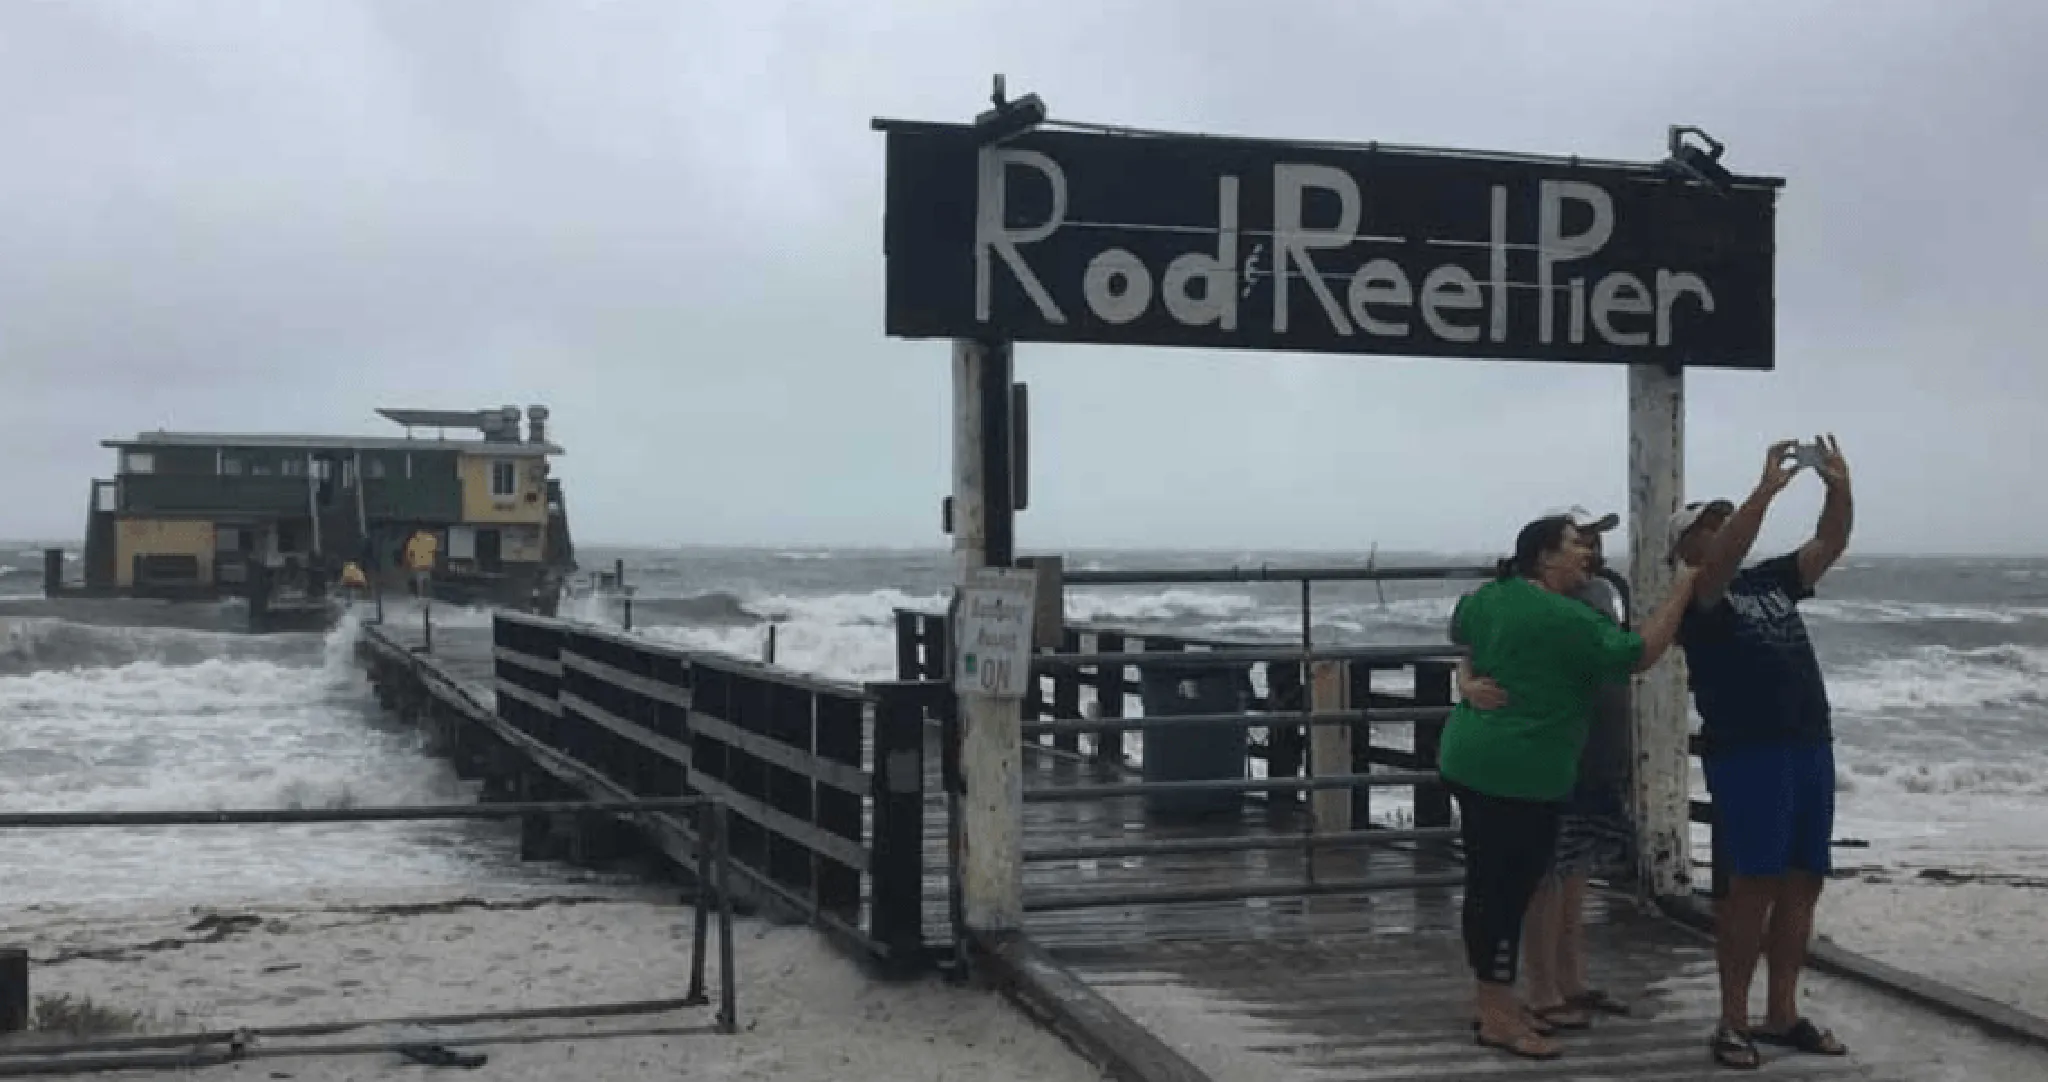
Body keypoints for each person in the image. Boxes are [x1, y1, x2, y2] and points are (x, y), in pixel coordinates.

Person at [1442, 514, 1697, 1060]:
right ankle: (1498, 1017)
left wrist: (1468, 679)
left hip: (1472, 756)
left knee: (1489, 888)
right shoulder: (1565, 617)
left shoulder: (1491, 597)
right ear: (1544, 556)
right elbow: (1640, 653)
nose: (1588, 553)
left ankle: (1495, 1003)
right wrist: (1683, 588)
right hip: (1518, 772)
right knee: (1505, 894)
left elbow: (1461, 629)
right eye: (1576, 544)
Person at [1672, 437, 1853, 1070]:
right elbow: (1726, 555)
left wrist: (1838, 487)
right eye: (1709, 523)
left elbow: (1829, 543)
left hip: (1809, 742)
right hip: (1749, 752)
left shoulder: (1770, 579)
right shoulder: (1695, 592)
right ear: (1685, 545)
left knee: (1803, 881)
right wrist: (1765, 492)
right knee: (1753, 885)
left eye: (1724, 518)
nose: (1722, 528)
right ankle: (1732, 1020)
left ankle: (1782, 1013)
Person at [1461, 507, 1637, 1031]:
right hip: (1555, 753)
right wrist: (1466, 683)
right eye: (1580, 539)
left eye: (1594, 539)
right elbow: (1477, 645)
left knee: (1576, 872)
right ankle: (1539, 990)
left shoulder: (1600, 591)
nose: (1590, 549)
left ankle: (1570, 978)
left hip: (1600, 746)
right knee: (1544, 877)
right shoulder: (1536, 601)